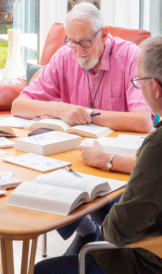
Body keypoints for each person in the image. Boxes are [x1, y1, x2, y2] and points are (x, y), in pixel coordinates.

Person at [12, 2, 154, 254]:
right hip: (75, 155)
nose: (78, 51)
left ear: (104, 34)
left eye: (85, 42)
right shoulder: (64, 55)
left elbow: (143, 120)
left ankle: (99, 241)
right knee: (33, 173)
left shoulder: (130, 55)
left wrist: (89, 115)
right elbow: (18, 105)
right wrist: (61, 109)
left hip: (115, 161)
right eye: (72, 41)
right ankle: (86, 231)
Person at [35, 35, 162, 274]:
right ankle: (86, 230)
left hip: (144, 262)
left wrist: (106, 210)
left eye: (139, 82)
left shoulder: (156, 145)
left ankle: (86, 230)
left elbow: (118, 232)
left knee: (41, 270)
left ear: (155, 87)